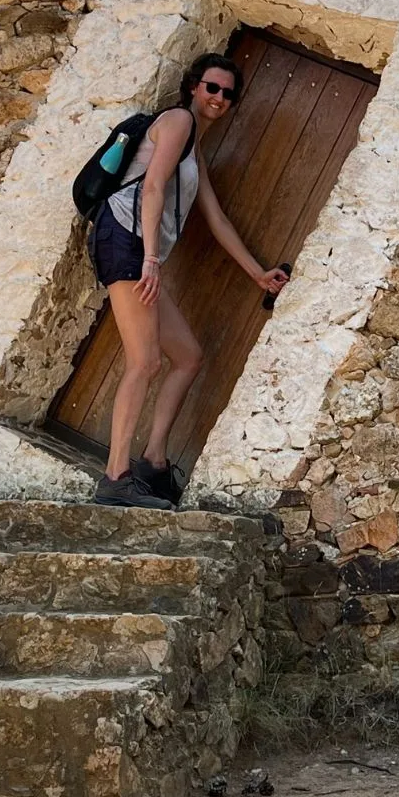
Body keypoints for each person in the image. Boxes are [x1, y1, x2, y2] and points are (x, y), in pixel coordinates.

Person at [88, 51, 289, 507]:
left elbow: (215, 217)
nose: (219, 97)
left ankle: (154, 463)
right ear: (195, 86)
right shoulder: (177, 120)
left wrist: (258, 274)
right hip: (124, 240)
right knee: (145, 362)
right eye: (212, 87)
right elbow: (154, 186)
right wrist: (153, 259)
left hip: (137, 247)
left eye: (228, 93)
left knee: (188, 357)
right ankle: (116, 480)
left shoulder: (193, 143)